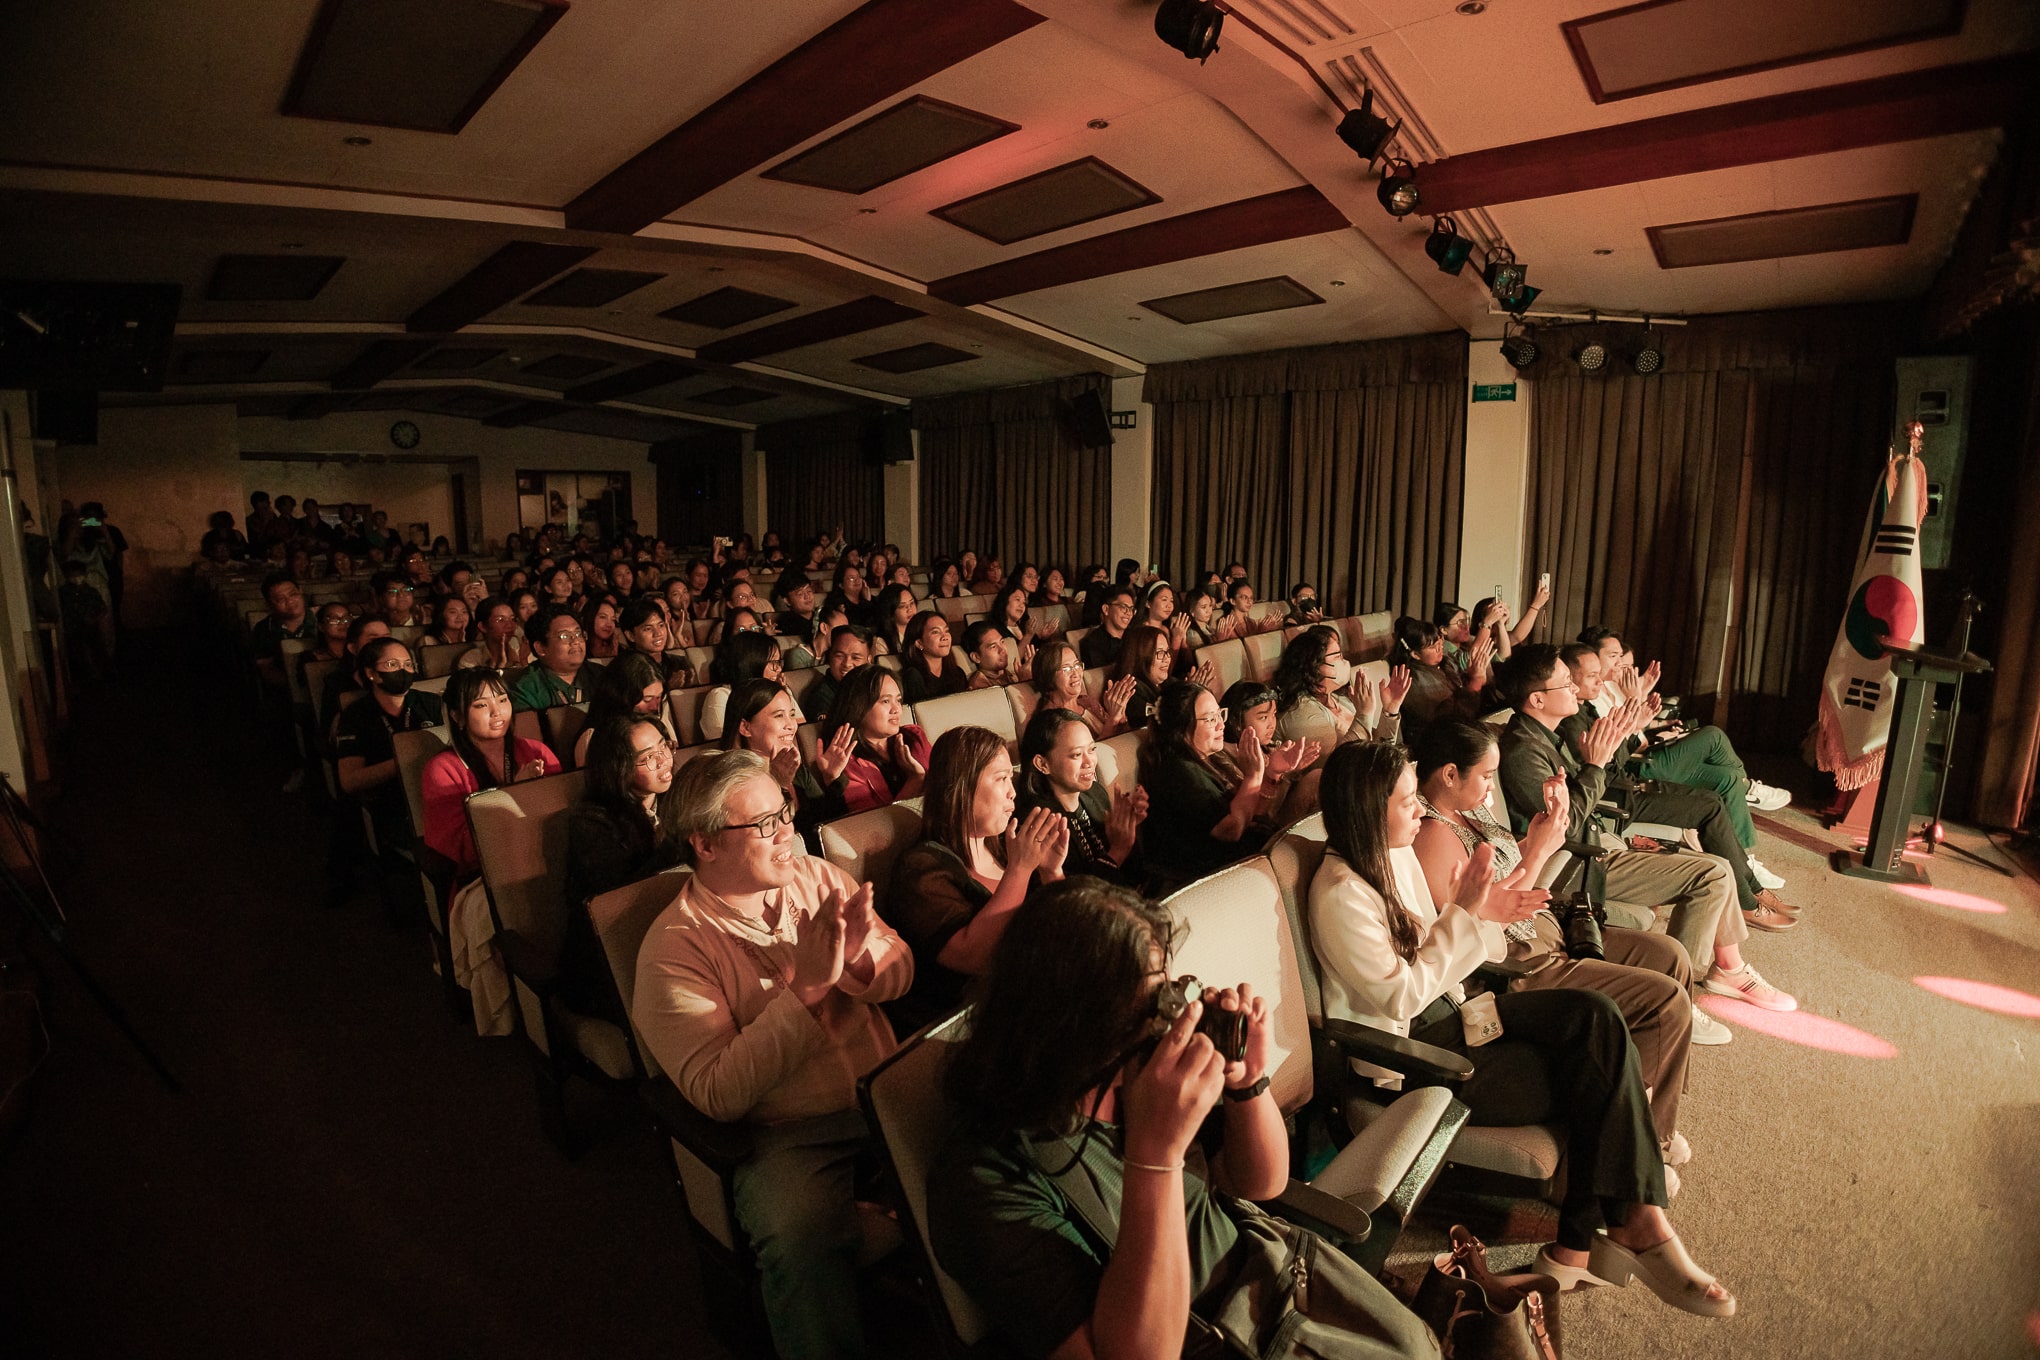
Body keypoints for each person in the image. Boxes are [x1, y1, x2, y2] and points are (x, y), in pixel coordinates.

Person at [929, 877, 1438, 1360]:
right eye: (1152, 998)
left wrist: (1248, 1082)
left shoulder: (1140, 1073)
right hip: (1213, 1336)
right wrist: (1155, 1157)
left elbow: (1261, 1183)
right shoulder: (983, 1179)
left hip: (1268, 1285)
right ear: (1075, 1021)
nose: (1169, 1015)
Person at [1307, 740, 1733, 1314]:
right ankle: (1608, 1233)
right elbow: (1401, 992)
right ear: (1365, 808)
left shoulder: (1392, 853)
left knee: (1595, 1017)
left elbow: (1445, 949)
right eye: (1408, 800)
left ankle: (1613, 1230)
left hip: (1461, 1015)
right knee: (1599, 1069)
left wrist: (1478, 906)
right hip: (1416, 1055)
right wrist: (1465, 911)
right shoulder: (1339, 894)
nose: (1420, 811)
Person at [633, 750, 913, 1360]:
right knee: (799, 1237)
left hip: (886, 1088)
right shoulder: (674, 950)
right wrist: (808, 988)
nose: (787, 829)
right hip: (791, 1130)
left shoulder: (817, 877)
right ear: (704, 844)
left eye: (783, 810)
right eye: (763, 824)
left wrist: (863, 962)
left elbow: (903, 969)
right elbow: (717, 1091)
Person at [1409, 718, 1721, 1150]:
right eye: (1484, 776)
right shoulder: (1432, 834)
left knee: (1670, 955)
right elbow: (1478, 920)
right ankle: (1645, 1141)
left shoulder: (1468, 809)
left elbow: (1505, 870)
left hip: (1543, 927)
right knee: (1665, 1000)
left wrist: (1539, 834)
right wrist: (1539, 852)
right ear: (1448, 774)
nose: (1490, 789)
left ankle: (1650, 1107)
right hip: (1517, 958)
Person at [1493, 645, 1796, 1010]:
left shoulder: (1545, 735)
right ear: (1538, 699)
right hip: (1569, 865)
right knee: (1712, 874)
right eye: (1566, 683)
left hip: (1595, 842)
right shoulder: (1523, 751)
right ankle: (1675, 995)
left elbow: (1586, 798)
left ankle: (1726, 970)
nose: (1574, 688)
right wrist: (1596, 765)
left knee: (1719, 866)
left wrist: (1610, 751)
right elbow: (1566, 829)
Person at [889, 726, 1069, 1020]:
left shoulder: (1001, 848)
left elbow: (1066, 926)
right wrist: (1020, 870)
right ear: (961, 786)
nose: (1013, 791)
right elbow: (973, 956)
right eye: (1001, 779)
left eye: (1011, 778)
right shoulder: (920, 867)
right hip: (983, 1017)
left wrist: (1051, 873)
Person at [421, 668, 561, 1036]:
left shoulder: (534, 750)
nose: (497, 711)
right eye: (481, 704)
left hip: (542, 856)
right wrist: (513, 794)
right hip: (482, 875)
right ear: (456, 716)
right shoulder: (443, 769)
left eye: (502, 700)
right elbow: (461, 850)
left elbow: (564, 811)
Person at [1579, 625, 1791, 822]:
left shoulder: (1611, 688)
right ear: (1591, 656)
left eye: (1623, 661)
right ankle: (1749, 789)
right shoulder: (1592, 695)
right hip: (1637, 765)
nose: (1620, 665)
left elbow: (1637, 726)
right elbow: (1622, 739)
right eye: (1614, 657)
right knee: (1712, 735)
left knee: (1729, 777)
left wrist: (1642, 697)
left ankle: (1744, 853)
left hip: (1646, 752)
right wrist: (1637, 697)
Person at [1136, 681, 1312, 891]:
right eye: (1210, 719)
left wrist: (1273, 773)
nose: (1221, 725)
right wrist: (1254, 776)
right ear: (1181, 726)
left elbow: (1252, 814)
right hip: (1210, 879)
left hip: (1245, 860)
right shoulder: (1178, 770)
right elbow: (1232, 830)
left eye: (1219, 714)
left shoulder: (1210, 757)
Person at [334, 635, 446, 874]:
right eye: (392, 665)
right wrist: (403, 763)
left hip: (436, 791)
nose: (403, 670)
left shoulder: (429, 703)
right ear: (372, 674)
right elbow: (349, 780)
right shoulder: (357, 715)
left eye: (407, 664)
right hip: (393, 803)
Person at [1012, 706, 1147, 885]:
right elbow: (1075, 901)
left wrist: (1129, 829)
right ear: (1042, 764)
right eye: (1076, 755)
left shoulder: (1095, 793)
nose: (1090, 762)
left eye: (1091, 750)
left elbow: (1131, 874)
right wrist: (1118, 851)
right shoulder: (1037, 825)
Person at [723, 677, 855, 848]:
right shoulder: (733, 781)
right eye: (779, 716)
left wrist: (832, 779)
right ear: (746, 728)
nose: (791, 725)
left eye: (791, 714)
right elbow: (773, 840)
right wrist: (778, 784)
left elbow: (829, 827)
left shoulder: (794, 767)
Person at [1271, 624, 1409, 763]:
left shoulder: (1339, 700)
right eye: (1337, 656)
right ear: (1314, 666)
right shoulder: (1300, 711)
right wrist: (1363, 715)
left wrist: (1390, 710)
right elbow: (1337, 767)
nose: (1345, 662)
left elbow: (1380, 751)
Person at [820, 665, 928, 814]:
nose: (896, 709)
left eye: (898, 700)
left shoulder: (914, 736)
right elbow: (878, 826)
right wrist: (916, 779)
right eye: (885, 701)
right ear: (859, 706)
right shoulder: (846, 761)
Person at [1214, 680, 1320, 826]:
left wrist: (1292, 770)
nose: (1272, 724)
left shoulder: (1268, 747)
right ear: (1236, 722)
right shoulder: (1225, 756)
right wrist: (1276, 774)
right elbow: (1261, 814)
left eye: (1274, 715)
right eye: (1263, 717)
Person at [1390, 615, 1491, 742]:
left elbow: (1459, 692)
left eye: (1440, 643)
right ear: (1415, 654)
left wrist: (1469, 675)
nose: (1440, 649)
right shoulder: (1413, 681)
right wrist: (1476, 682)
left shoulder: (1443, 662)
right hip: (1438, 740)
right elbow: (1450, 720)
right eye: (1433, 647)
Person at [574, 650, 670, 768]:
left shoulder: (653, 723)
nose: (655, 706)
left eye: (659, 697)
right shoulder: (593, 739)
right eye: (647, 699)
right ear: (622, 696)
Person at [701, 630, 802, 741]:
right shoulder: (721, 696)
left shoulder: (779, 691)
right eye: (773, 662)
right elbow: (727, 744)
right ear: (752, 663)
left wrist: (783, 694)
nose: (778, 669)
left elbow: (800, 731)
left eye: (779, 662)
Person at [1032, 640, 1134, 738]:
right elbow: (1089, 753)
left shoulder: (1086, 701)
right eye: (1066, 669)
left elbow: (1123, 738)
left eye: (1077, 665)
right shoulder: (1052, 721)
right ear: (1048, 675)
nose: (1076, 674)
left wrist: (1120, 712)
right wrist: (1113, 720)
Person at [506, 606, 587, 712]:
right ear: (540, 648)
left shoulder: (602, 675)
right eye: (565, 636)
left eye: (578, 634)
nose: (576, 641)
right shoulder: (525, 689)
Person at [1106, 625, 1176, 733]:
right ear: (1141, 656)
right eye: (1160, 653)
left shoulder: (1168, 683)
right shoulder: (1131, 692)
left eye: (1167, 651)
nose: (1167, 658)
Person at [804, 626, 871, 725]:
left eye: (856, 658)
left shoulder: (872, 685)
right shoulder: (822, 698)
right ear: (830, 656)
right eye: (839, 656)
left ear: (868, 661)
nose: (847, 663)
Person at [899, 611, 968, 703]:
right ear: (919, 643)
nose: (945, 637)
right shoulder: (913, 676)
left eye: (946, 631)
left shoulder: (957, 673)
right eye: (935, 632)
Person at [460, 597, 530, 670]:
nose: (510, 625)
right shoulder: (471, 660)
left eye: (512, 619)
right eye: (500, 620)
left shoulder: (523, 651)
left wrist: (523, 661)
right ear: (482, 627)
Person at [1080, 584, 1137, 670]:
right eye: (1123, 607)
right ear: (1106, 609)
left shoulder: (1135, 636)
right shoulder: (1093, 643)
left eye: (1131, 609)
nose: (1129, 613)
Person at [962, 620, 1025, 690]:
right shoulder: (980, 686)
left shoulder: (1008, 674)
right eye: (993, 646)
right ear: (976, 657)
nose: (1002, 650)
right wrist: (1025, 681)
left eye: (1002, 642)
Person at [872, 583, 918, 657]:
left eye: (912, 603)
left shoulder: (922, 630)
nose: (910, 610)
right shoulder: (881, 641)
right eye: (902, 606)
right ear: (890, 611)